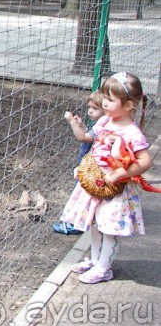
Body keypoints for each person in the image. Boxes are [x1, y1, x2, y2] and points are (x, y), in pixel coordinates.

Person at [59, 72, 152, 284]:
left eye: (110, 99)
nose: (105, 103)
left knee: (109, 229)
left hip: (115, 190)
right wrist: (77, 125)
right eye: (105, 97)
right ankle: (95, 260)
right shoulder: (106, 121)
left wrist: (123, 173)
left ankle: (104, 268)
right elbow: (88, 138)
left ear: (128, 106)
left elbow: (145, 161)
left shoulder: (132, 132)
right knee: (95, 224)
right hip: (96, 184)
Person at [53, 91, 105, 235]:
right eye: (89, 107)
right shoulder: (101, 124)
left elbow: (82, 138)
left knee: (83, 194)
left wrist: (71, 122)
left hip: (92, 167)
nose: (90, 111)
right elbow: (89, 135)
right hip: (91, 165)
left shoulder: (103, 125)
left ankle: (76, 224)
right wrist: (81, 125)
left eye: (95, 108)